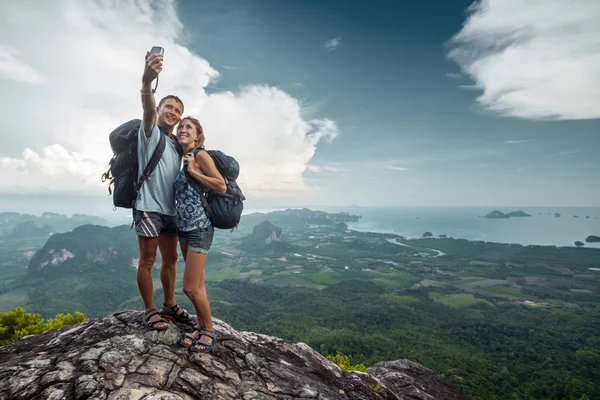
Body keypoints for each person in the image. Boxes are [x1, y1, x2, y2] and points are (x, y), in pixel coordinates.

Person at [136, 51, 194, 330]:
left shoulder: (175, 145)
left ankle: (169, 304)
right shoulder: (150, 132)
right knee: (147, 260)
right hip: (149, 206)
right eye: (169, 107)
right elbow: (147, 109)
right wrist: (147, 83)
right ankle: (149, 310)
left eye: (178, 111)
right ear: (160, 110)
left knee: (170, 260)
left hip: (171, 211)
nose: (173, 113)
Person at [175, 116, 226, 353]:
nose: (183, 129)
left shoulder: (200, 155)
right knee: (199, 285)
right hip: (184, 229)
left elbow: (220, 185)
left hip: (199, 229)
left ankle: (210, 332)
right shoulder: (180, 158)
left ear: (197, 135)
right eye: (180, 127)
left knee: (189, 288)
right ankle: (201, 326)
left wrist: (194, 171)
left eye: (188, 127)